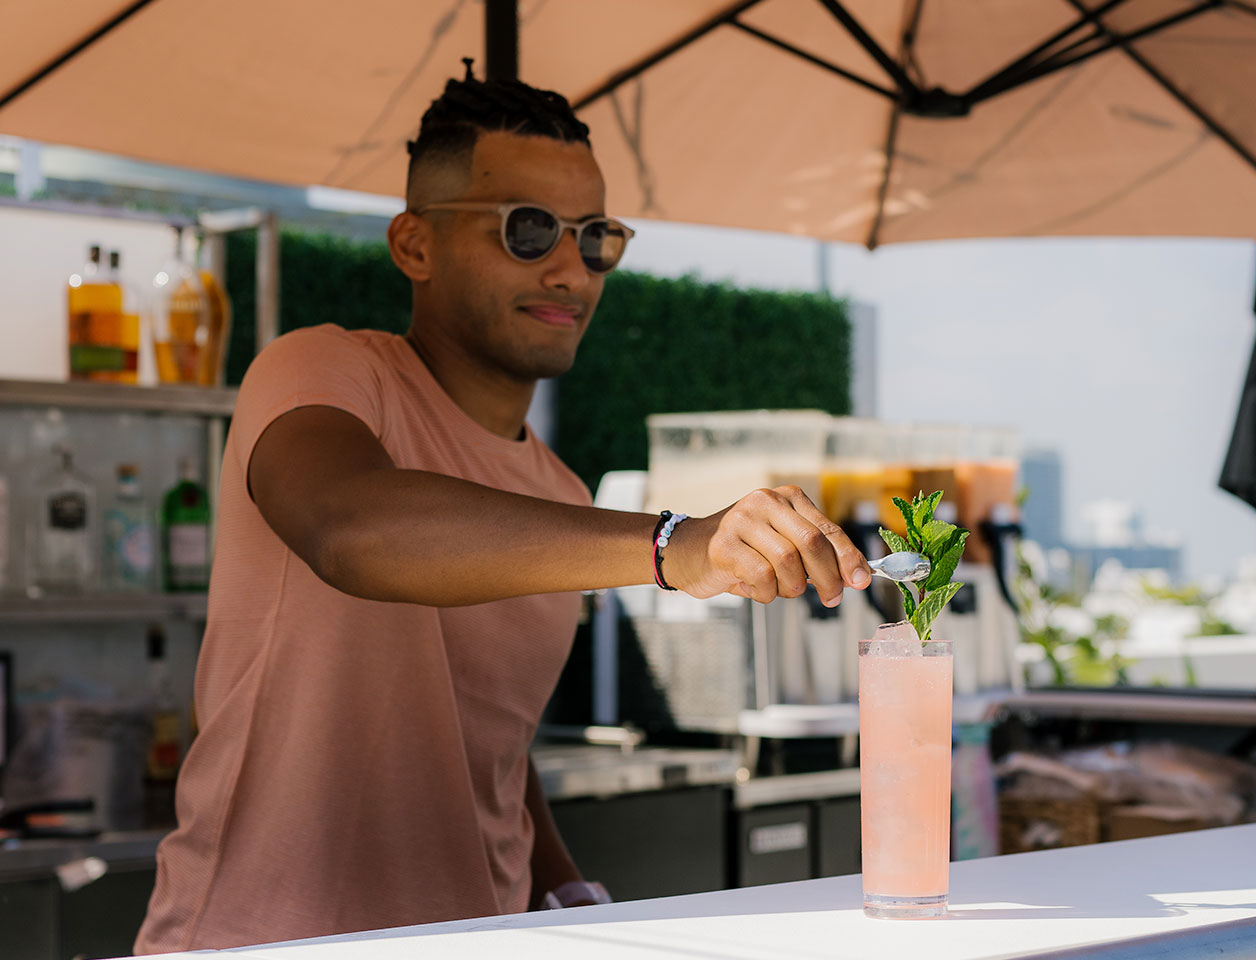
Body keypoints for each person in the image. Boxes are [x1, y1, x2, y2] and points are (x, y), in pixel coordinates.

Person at [135, 65, 870, 953]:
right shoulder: (323, 374)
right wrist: (679, 544)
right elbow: (351, 528)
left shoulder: (559, 496)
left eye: (595, 237)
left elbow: (492, 747)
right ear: (415, 246)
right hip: (261, 941)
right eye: (528, 231)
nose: (571, 269)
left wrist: (569, 889)